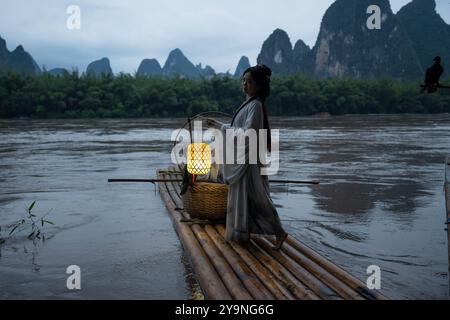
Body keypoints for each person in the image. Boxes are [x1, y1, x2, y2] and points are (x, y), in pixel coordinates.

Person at [205, 65, 288, 250]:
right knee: (247, 198)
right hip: (245, 158)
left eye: (249, 81)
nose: (245, 84)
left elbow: (247, 134)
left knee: (259, 197)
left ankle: (279, 232)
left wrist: (221, 127)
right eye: (243, 80)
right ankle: (243, 233)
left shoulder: (256, 106)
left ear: (258, 85)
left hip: (251, 161)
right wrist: (220, 126)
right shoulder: (249, 104)